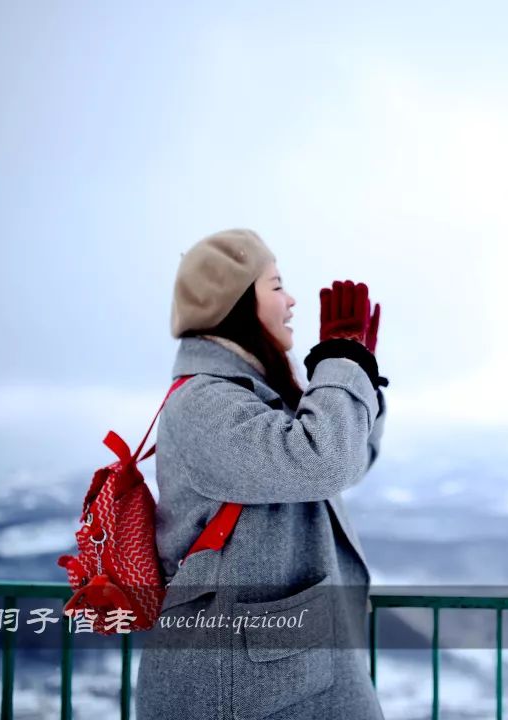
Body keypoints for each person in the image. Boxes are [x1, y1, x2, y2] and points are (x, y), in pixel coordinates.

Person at [134, 228, 388, 719]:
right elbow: (322, 459)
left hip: (284, 671)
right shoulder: (204, 403)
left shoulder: (257, 396)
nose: (291, 301)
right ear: (233, 305)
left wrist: (359, 372)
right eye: (275, 287)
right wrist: (341, 358)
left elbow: (349, 462)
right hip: (238, 688)